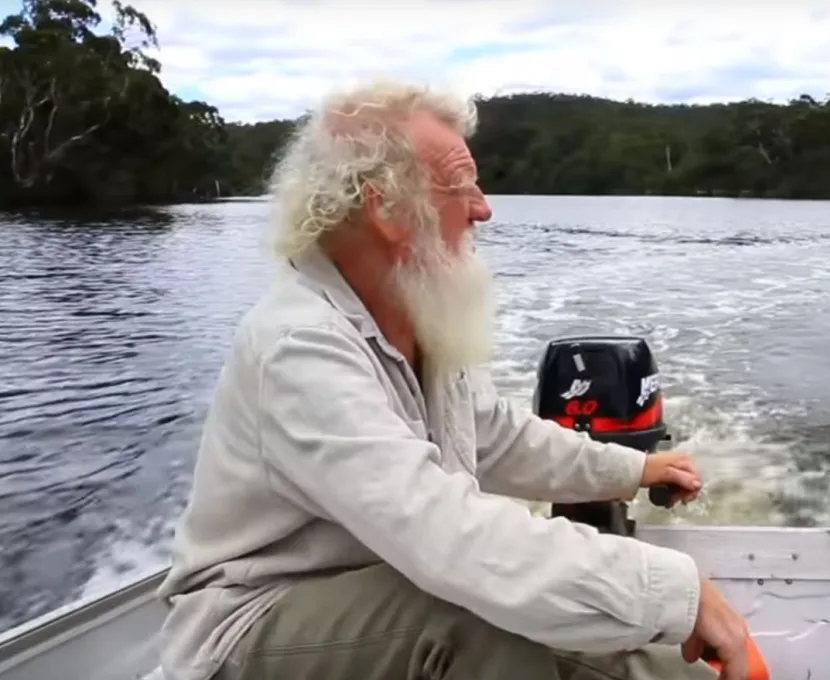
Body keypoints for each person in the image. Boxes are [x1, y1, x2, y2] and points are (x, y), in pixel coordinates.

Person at [156, 77, 753, 680]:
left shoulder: (412, 320)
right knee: (470, 618)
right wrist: (678, 592)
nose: (484, 207)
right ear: (385, 208)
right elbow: (443, 534)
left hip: (391, 591)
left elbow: (498, 436)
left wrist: (631, 469)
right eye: (461, 185)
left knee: (634, 655)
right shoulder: (299, 347)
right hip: (250, 627)